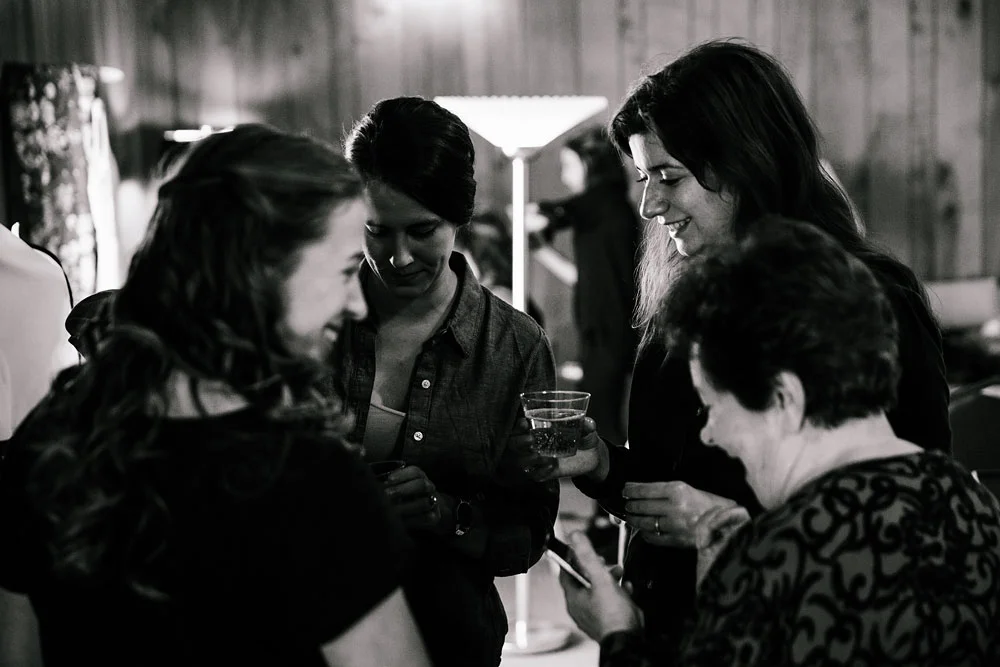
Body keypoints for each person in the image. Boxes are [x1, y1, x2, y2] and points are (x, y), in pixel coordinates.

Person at [511, 39, 951, 659]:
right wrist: (604, 466)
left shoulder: (868, 300)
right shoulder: (683, 299)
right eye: (643, 178)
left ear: (748, 163)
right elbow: (673, 479)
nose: (649, 205)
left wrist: (726, 529)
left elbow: (911, 507)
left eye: (670, 177)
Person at [0, 124, 431, 666]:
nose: (358, 304)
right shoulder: (308, 479)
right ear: (260, 271)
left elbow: (17, 653)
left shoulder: (51, 436)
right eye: (346, 272)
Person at [558, 216, 1000, 665]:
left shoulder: (773, 562)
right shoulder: (974, 504)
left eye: (713, 406)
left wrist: (618, 633)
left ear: (786, 397)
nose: (710, 432)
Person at [330, 96, 560, 667]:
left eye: (422, 230)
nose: (398, 257)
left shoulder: (514, 347)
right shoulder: (311, 317)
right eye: (377, 231)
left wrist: (446, 512)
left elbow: (529, 530)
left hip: (449, 639)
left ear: (460, 217)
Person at [527, 126, 640, 448]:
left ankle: (609, 479)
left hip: (608, 331)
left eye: (569, 166)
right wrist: (540, 251)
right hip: (602, 330)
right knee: (602, 419)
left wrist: (535, 215)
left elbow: (548, 215)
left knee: (602, 425)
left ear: (591, 164)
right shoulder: (603, 210)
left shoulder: (604, 204)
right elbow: (587, 277)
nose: (565, 177)